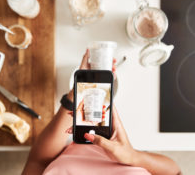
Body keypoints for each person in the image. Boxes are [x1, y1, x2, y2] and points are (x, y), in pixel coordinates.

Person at [22, 50, 181, 175]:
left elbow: (38, 162)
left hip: (74, 132)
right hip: (132, 138)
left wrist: (75, 97)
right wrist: (131, 156)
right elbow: (174, 172)